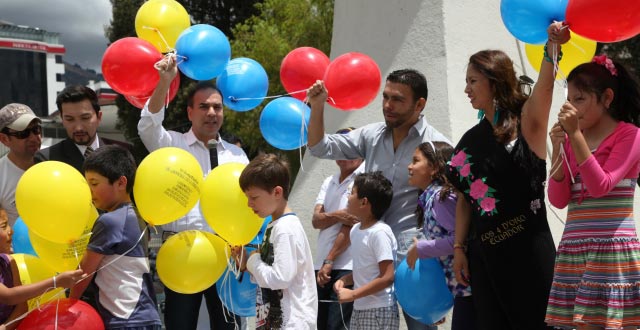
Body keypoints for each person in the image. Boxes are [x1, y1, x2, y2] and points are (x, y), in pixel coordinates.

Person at [446, 23, 569, 330]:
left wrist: (552, 47)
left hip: (530, 250)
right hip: (487, 258)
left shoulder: (528, 121)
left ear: (494, 81)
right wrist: (459, 249)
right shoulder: (469, 142)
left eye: (473, 81)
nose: (467, 89)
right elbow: (465, 198)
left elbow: (545, 86)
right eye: (466, 82)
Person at [307, 69, 450, 330]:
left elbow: (450, 208)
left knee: (421, 327)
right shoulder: (370, 135)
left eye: (397, 99)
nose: (387, 105)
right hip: (371, 249)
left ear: (420, 104)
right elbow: (320, 147)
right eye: (385, 97)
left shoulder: (437, 145)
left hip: (413, 250)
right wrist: (317, 107)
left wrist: (440, 283)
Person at [137, 54, 248, 330]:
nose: (211, 113)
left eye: (217, 107)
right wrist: (165, 81)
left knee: (227, 326)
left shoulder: (236, 155)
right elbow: (147, 126)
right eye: (204, 107)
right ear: (190, 112)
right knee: (180, 325)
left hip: (224, 257)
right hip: (181, 253)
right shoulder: (171, 145)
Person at [545, 54, 640, 329]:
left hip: (609, 253)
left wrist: (574, 136)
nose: (572, 108)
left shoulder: (630, 135)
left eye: (580, 99)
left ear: (607, 98)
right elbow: (559, 199)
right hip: (575, 251)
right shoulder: (578, 138)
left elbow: (601, 186)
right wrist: (557, 152)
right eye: (570, 99)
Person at [69, 145, 161, 329]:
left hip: (126, 319)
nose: (89, 191)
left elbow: (84, 272)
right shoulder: (139, 216)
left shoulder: (109, 222)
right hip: (147, 316)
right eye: (87, 184)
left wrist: (68, 304)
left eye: (94, 184)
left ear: (121, 183)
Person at [233, 153, 317, 329]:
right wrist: (246, 265)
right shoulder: (275, 226)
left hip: (292, 323)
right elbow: (269, 277)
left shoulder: (285, 229)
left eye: (254, 197)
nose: (249, 204)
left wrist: (252, 261)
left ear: (277, 192)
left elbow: (280, 278)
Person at [405, 141, 475, 329]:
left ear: (434, 167)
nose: (409, 166)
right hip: (461, 293)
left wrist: (421, 248)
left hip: (472, 292)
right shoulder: (430, 200)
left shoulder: (441, 199)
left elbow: (462, 240)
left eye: (415, 161)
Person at [313, 127, 364, 330]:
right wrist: (337, 215)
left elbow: (351, 223)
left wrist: (330, 259)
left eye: (349, 148)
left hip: (345, 265)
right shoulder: (329, 180)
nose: (343, 154)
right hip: (322, 264)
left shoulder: (363, 178)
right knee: (320, 323)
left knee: (339, 324)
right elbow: (316, 220)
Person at [333, 171, 398, 330]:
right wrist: (346, 280)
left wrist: (353, 294)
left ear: (364, 202)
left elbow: (387, 277)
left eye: (352, 193)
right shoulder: (355, 230)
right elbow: (366, 270)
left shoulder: (379, 233)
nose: (348, 197)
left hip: (379, 310)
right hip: (360, 309)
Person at [0, 206, 83, 330]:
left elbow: (22, 306)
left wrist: (5, 327)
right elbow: (8, 297)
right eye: (4, 226)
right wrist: (56, 281)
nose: (11, 231)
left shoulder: (9, 262)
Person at [34, 85, 131, 173]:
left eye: (85, 118)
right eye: (70, 119)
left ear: (99, 117)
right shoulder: (47, 160)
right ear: (62, 119)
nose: (78, 127)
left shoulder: (122, 153)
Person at [0, 103, 42, 225]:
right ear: (4, 139)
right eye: (23, 133)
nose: (34, 138)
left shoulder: (55, 162)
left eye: (36, 129)